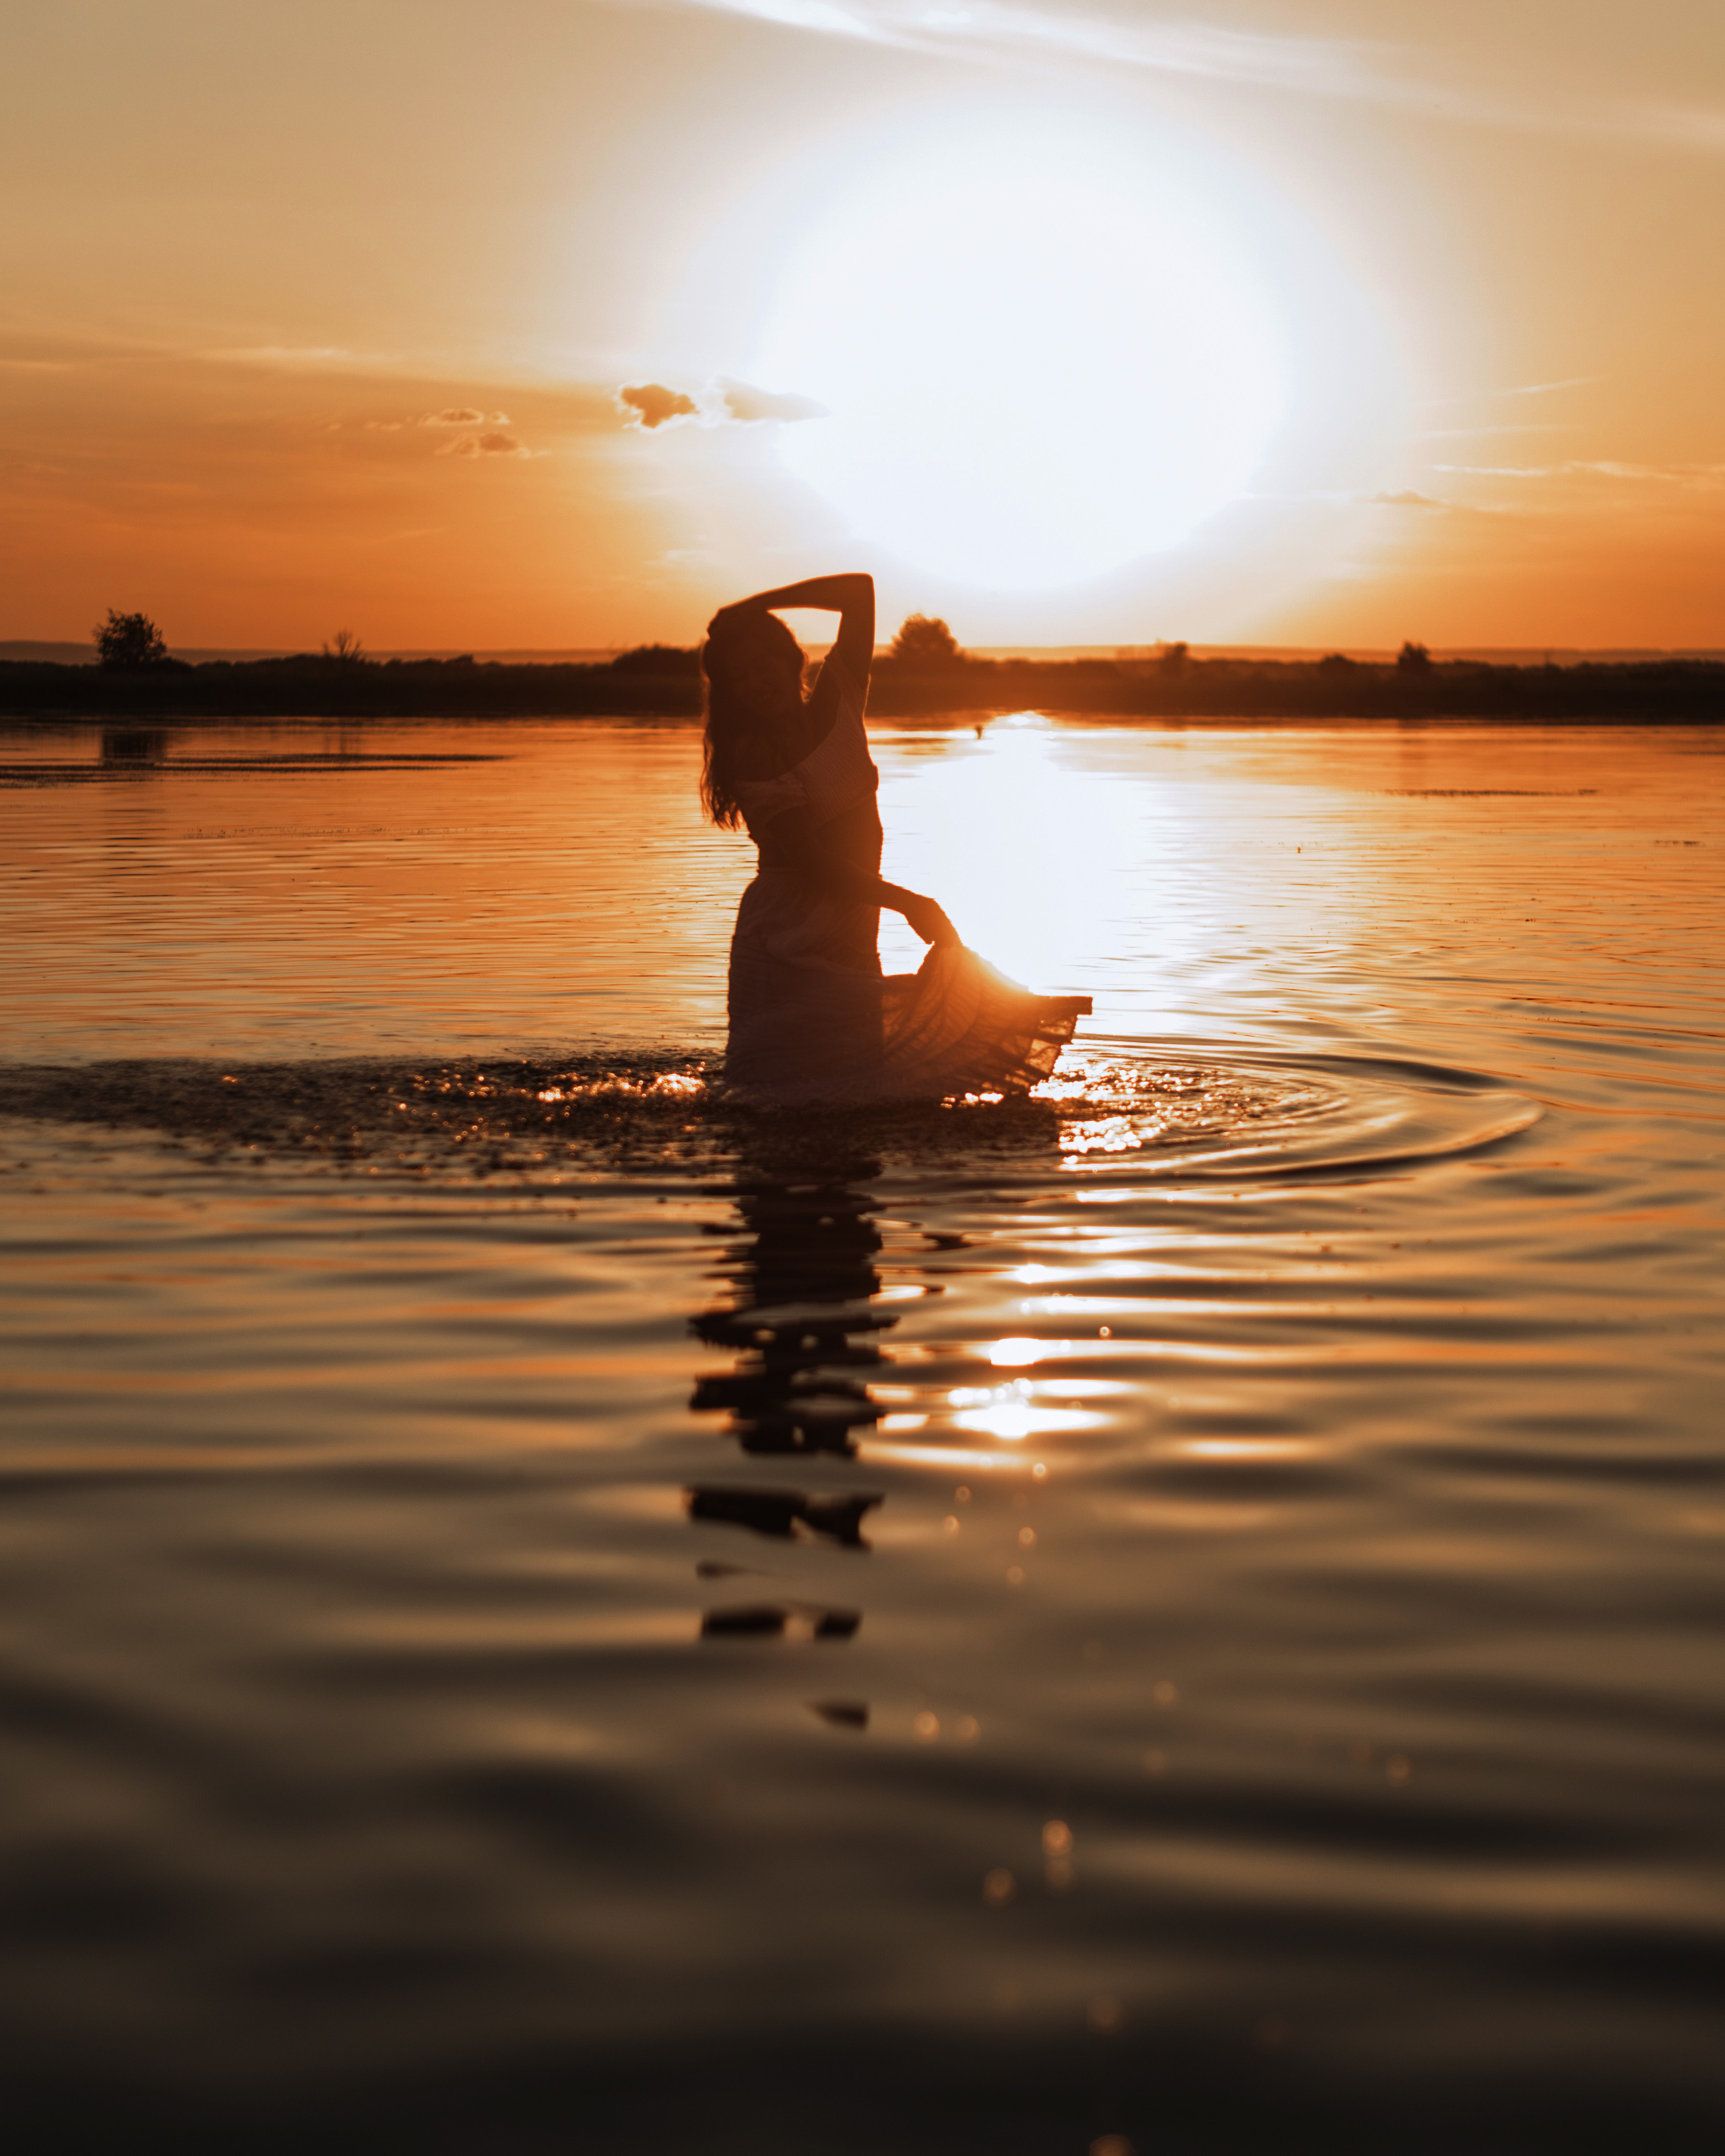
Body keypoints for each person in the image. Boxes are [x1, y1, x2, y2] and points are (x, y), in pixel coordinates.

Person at [700, 571, 1090, 1104]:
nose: (753, 682)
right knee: (774, 1099)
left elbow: (858, 591)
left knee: (858, 1090)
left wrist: (750, 604)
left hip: (851, 925)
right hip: (786, 937)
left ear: (790, 658)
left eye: (760, 664)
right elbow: (812, 864)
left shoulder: (839, 699)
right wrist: (909, 902)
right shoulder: (755, 753)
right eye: (738, 676)